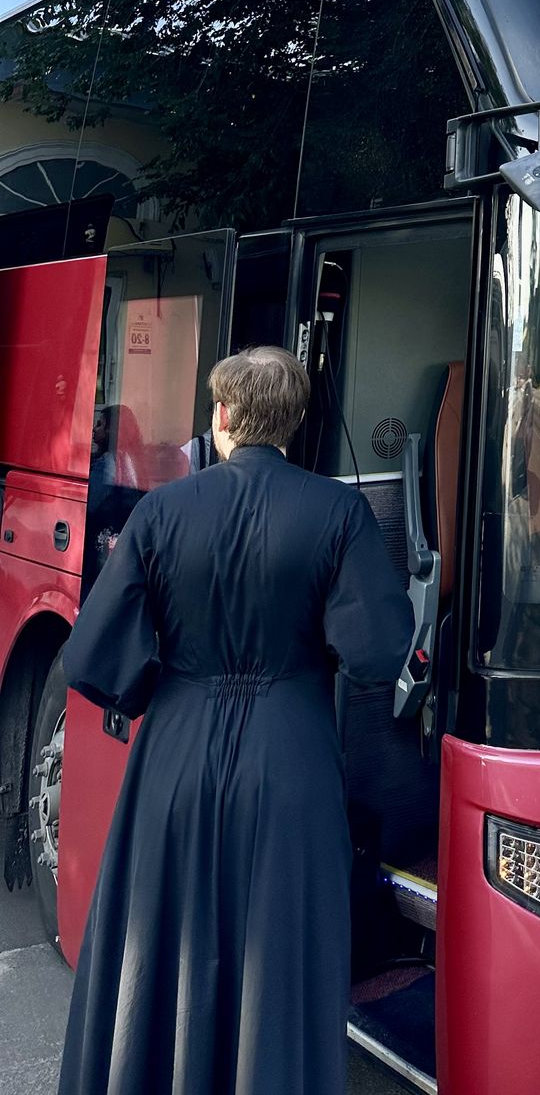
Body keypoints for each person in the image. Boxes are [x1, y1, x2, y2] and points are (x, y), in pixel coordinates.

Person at [58, 345, 413, 1095]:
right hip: (292, 758)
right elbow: (378, 653)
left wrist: (151, 688)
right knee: (277, 956)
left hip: (176, 752)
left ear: (221, 416)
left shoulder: (160, 511)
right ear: (294, 421)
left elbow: (89, 657)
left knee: (164, 943)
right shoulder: (340, 513)